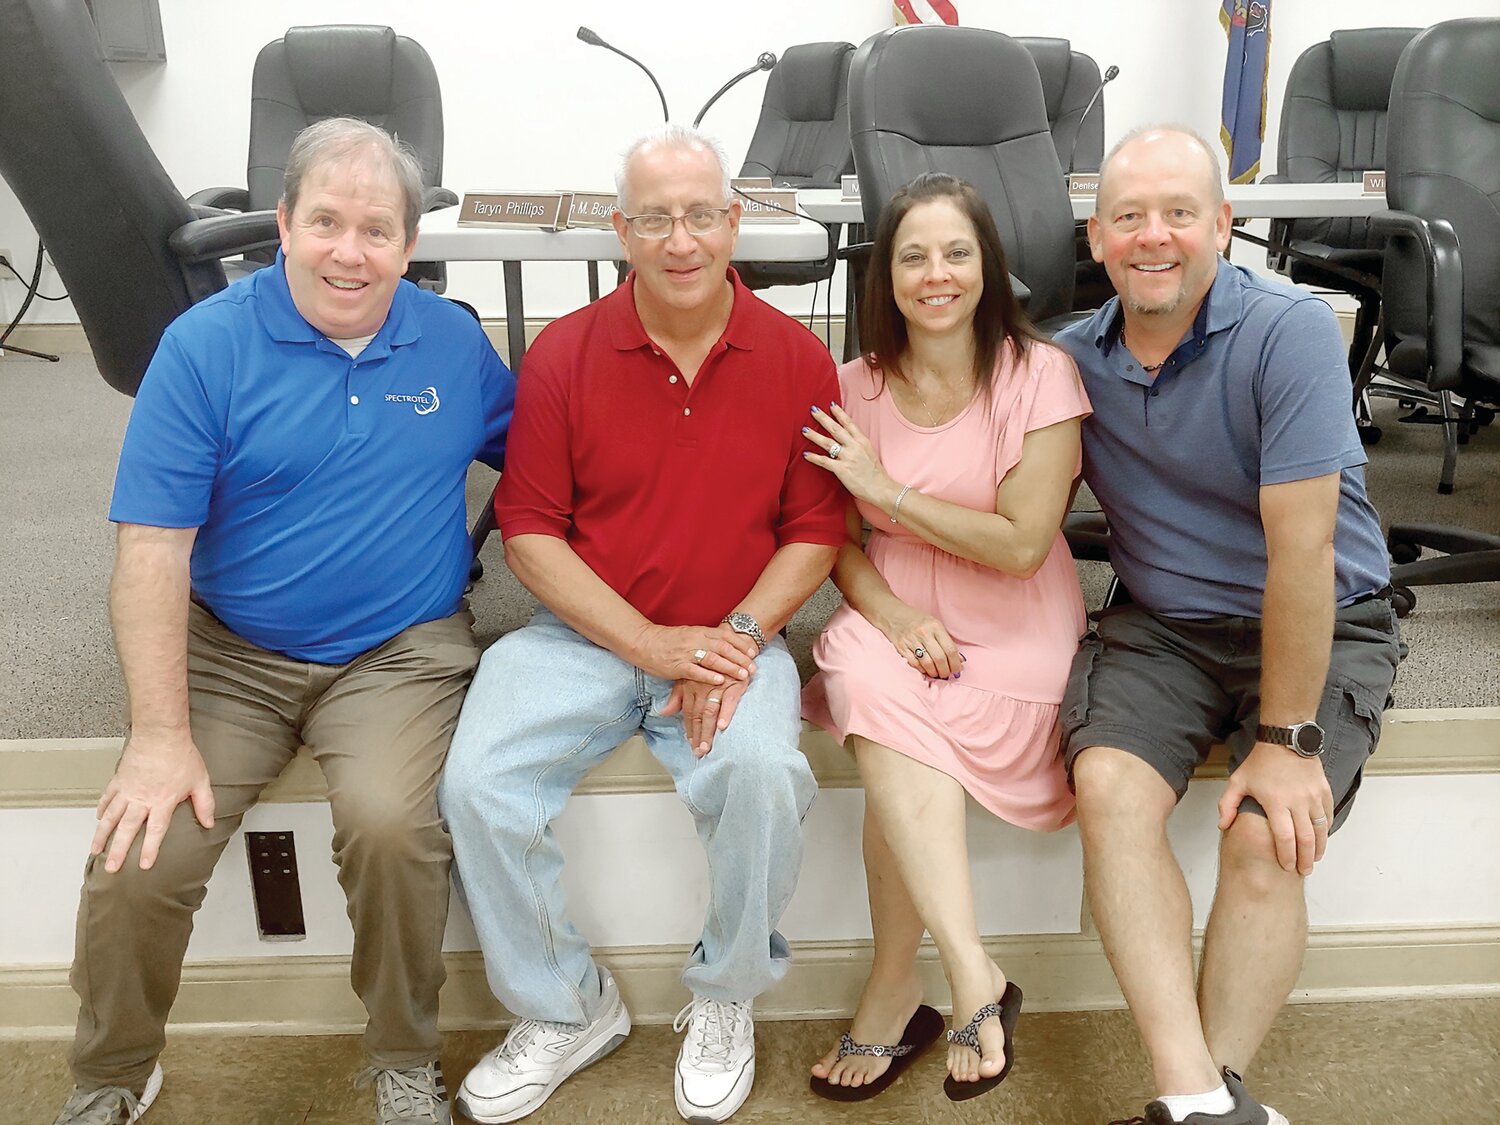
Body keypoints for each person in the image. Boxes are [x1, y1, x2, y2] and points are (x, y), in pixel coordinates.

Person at [50, 118, 516, 1125]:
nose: (351, 252)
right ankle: (112, 1077)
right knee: (141, 854)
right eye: (327, 223)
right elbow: (150, 551)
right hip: (229, 651)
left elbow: (552, 465)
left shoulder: (449, 340)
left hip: (402, 651)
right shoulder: (205, 349)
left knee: (393, 829)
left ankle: (403, 1060)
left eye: (378, 230)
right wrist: (158, 737)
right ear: (283, 225)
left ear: (409, 241)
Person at [436, 123, 845, 1125]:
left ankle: (726, 995)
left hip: (732, 637)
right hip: (579, 638)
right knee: (477, 782)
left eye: (701, 214)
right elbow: (530, 535)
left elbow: (816, 532)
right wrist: (649, 645)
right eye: (655, 217)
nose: (681, 239)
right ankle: (566, 1008)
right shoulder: (565, 355)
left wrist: (738, 638)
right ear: (621, 230)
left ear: (734, 221)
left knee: (762, 775)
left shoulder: (797, 358)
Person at [1054, 126, 1404, 1125]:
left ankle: (1210, 1090)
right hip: (1163, 628)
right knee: (1109, 789)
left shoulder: (1288, 328)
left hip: (1319, 613)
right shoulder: (1072, 362)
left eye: (1177, 213)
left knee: (1266, 836)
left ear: (1223, 224)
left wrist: (1291, 743)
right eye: (1129, 217)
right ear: (1097, 237)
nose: (1153, 236)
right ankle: (1196, 1097)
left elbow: (1302, 553)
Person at [799, 172, 1091, 1103]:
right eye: (914, 256)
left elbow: (1021, 544)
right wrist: (892, 615)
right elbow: (829, 542)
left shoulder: (1040, 374)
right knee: (865, 673)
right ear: (884, 276)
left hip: (1015, 619)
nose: (936, 274)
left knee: (888, 730)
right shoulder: (850, 386)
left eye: (956, 253)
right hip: (896, 604)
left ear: (987, 266)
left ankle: (897, 987)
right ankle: (973, 977)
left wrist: (886, 493)